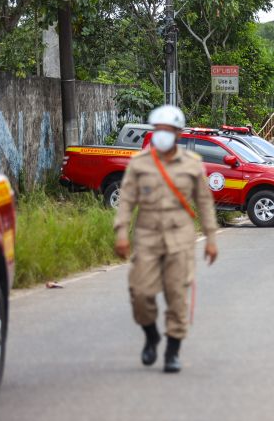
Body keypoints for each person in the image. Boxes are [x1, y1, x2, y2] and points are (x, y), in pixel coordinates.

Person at [114, 105, 218, 374]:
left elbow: (204, 203)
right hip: (147, 235)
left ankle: (172, 351)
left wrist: (211, 237)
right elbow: (126, 199)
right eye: (158, 130)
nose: (162, 135)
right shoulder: (139, 163)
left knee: (177, 295)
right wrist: (121, 231)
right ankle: (151, 336)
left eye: (167, 130)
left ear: (178, 134)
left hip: (180, 237)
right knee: (140, 292)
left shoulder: (192, 164)